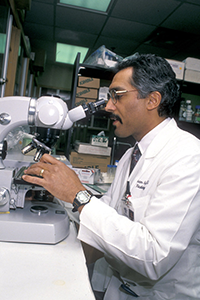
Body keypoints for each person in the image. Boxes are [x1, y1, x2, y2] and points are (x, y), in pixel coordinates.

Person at [23, 54, 200, 300]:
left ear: (152, 100)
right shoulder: (131, 155)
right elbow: (109, 211)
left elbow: (155, 256)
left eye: (117, 95)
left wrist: (77, 194)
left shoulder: (189, 156)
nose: (108, 106)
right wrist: (58, 188)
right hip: (119, 289)